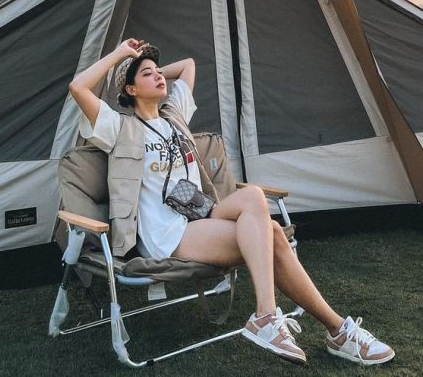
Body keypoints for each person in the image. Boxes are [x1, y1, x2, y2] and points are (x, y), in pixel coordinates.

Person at [69, 37, 395, 366]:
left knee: (253, 196)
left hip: (200, 215)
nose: (158, 76)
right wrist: (122, 56)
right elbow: (78, 87)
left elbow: (188, 66)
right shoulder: (118, 127)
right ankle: (330, 329)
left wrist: (148, 68)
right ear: (131, 90)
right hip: (167, 235)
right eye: (147, 75)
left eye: (158, 72)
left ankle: (277, 319)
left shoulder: (174, 116)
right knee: (273, 234)